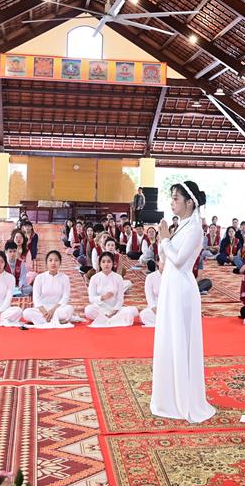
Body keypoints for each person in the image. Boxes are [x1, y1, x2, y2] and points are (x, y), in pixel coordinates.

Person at [150, 181, 215, 423]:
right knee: (169, 338)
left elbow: (178, 260)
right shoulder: (182, 226)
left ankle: (183, 399)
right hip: (170, 285)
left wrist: (165, 240)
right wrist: (163, 241)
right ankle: (169, 395)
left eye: (175, 198)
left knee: (180, 339)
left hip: (182, 289)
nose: (172, 203)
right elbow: (165, 259)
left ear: (189, 202)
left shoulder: (195, 228)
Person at [85, 253, 136, 327]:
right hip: (100, 308)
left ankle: (107, 319)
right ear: (100, 264)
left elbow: (120, 299)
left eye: (109, 261)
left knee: (133, 311)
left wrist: (115, 310)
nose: (106, 264)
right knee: (88, 310)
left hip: (115, 309)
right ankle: (114, 319)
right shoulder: (94, 278)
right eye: (103, 262)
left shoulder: (118, 277)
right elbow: (91, 299)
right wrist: (102, 297)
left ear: (113, 264)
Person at [24, 251, 74, 326]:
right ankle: (56, 320)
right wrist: (44, 311)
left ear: (60, 263)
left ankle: (43, 320)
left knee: (70, 308)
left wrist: (52, 310)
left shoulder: (65, 278)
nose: (53, 263)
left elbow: (65, 297)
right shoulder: (39, 277)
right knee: (26, 313)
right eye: (50, 260)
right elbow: (36, 298)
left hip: (57, 309)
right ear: (46, 263)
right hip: (42, 309)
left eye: (56, 260)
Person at [139, 260, 162, 326]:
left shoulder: (172, 277)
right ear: (158, 262)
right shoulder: (151, 277)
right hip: (155, 308)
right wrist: (156, 311)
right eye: (163, 261)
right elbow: (149, 298)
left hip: (170, 308)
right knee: (144, 315)